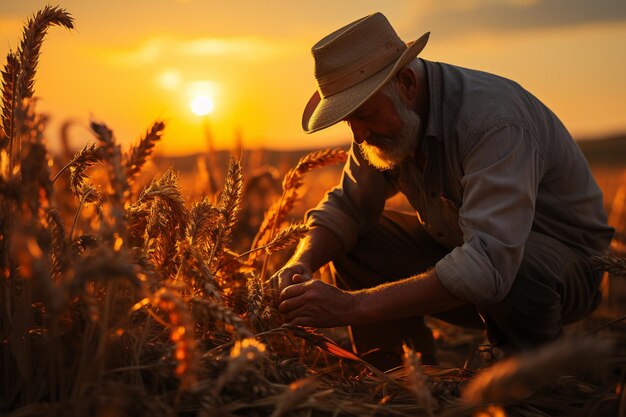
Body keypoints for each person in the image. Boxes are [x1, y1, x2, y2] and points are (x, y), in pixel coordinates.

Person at [270, 12, 615, 369]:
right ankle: (391, 373)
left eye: (365, 114)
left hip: (560, 272)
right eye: (348, 120)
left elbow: (490, 264)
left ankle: (532, 375)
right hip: (471, 254)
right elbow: (347, 208)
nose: (358, 135)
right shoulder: (384, 120)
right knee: (357, 239)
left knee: (517, 268)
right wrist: (301, 262)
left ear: (405, 82)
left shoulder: (492, 122)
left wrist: (352, 306)